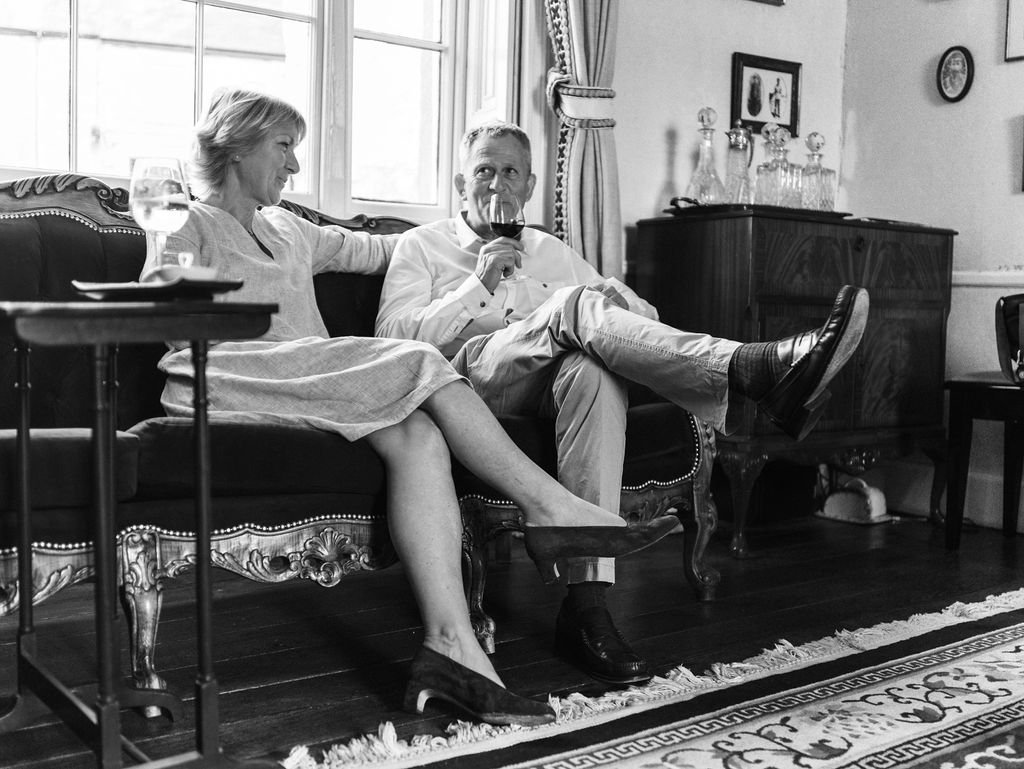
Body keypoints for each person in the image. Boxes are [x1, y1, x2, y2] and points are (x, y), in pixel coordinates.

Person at [145, 89, 677, 727]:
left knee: (420, 435)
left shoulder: (289, 228)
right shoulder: (184, 220)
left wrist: (475, 253)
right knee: (419, 359)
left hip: (308, 377)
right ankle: (551, 509)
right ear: (235, 144)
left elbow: (379, 250)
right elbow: (165, 308)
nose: (293, 166)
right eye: (285, 147)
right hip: (220, 373)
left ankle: (451, 651)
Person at [375, 120, 869, 688]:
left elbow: (641, 321)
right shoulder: (422, 246)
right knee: (575, 309)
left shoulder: (551, 250)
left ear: (530, 184)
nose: (496, 184)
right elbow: (392, 343)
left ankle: (586, 609)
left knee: (594, 369)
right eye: (483, 170)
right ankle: (750, 371)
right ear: (461, 182)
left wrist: (618, 299)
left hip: (550, 382)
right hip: (467, 385)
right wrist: (477, 286)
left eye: (509, 171)